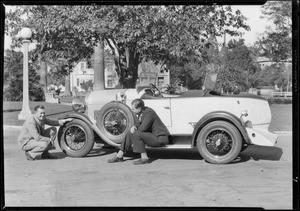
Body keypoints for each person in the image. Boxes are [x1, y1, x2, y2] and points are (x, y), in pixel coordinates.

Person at [107, 99, 169, 165]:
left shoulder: (149, 113)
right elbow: (138, 123)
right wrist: (135, 127)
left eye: (133, 109)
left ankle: (144, 158)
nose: (132, 111)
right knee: (130, 133)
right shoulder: (142, 112)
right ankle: (119, 156)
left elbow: (142, 128)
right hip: (152, 136)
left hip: (159, 138)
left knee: (136, 133)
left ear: (139, 109)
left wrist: (135, 129)